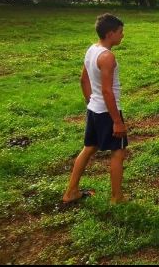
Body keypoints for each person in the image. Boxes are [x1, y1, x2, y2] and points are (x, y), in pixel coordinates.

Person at [62, 13, 128, 206]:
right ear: (110, 34)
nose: (122, 36)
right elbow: (108, 91)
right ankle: (117, 197)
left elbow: (83, 80)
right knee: (118, 151)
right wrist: (117, 121)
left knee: (89, 148)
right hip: (107, 112)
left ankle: (71, 191)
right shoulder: (107, 57)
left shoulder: (92, 50)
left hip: (94, 109)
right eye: (120, 32)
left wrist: (90, 101)